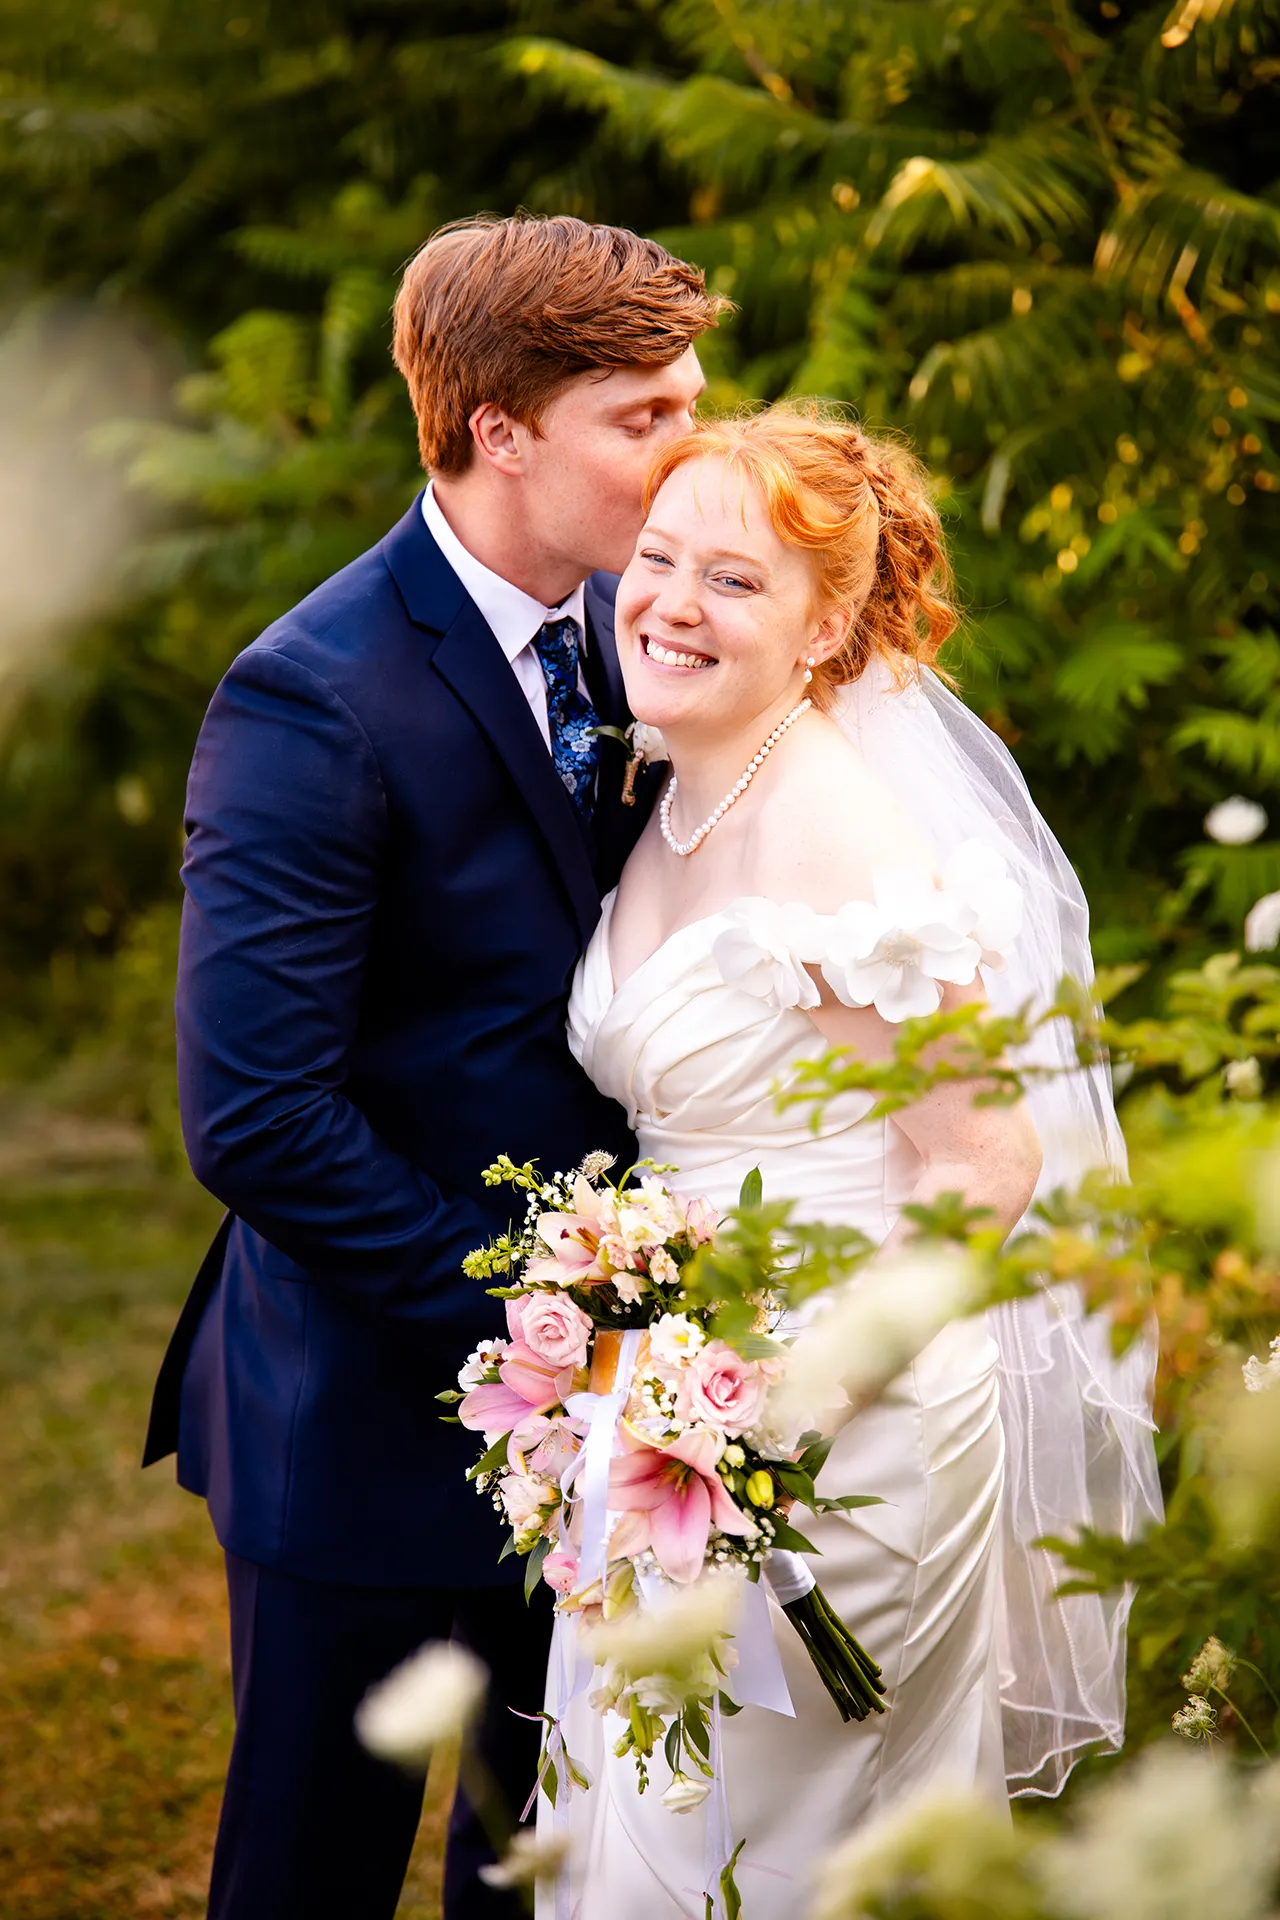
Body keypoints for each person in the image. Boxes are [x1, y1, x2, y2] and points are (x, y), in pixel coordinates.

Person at [141, 212, 724, 1920]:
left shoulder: (656, 629)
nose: (692, 449)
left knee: (543, 1866)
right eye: (646, 416)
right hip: (367, 1411)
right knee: (313, 1872)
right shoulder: (311, 696)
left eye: (693, 400)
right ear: (498, 432)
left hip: (625, 1429)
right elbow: (257, 1115)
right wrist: (540, 1341)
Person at [548, 406, 1161, 1915]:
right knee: (654, 1832)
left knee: (779, 1856)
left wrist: (770, 1428)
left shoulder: (847, 845)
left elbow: (985, 1173)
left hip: (840, 1436)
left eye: (735, 581)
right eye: (658, 556)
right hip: (676, 1411)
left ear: (829, 629)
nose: (671, 602)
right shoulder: (680, 791)